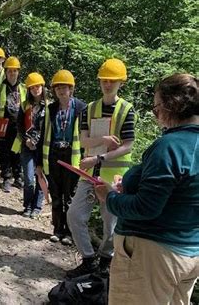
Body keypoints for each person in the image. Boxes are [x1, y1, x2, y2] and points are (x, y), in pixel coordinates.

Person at [95, 73, 199, 304]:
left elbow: (146, 208)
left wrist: (109, 197)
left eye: (156, 108)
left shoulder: (169, 147)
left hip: (151, 255)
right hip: (189, 253)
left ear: (171, 106)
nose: (156, 116)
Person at [66, 59, 136, 278]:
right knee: (74, 215)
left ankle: (105, 261)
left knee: (111, 224)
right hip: (89, 175)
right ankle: (88, 259)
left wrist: (99, 157)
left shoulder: (127, 110)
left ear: (120, 83)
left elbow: (128, 145)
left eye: (112, 81)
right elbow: (83, 140)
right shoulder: (89, 109)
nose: (107, 84)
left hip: (113, 178)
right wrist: (104, 139)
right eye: (104, 80)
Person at [37, 70, 86, 245]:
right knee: (56, 196)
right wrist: (38, 162)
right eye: (58, 87)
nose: (61, 90)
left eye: (64, 87)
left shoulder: (81, 108)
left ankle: (70, 233)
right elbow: (43, 135)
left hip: (72, 158)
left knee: (70, 197)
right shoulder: (51, 108)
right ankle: (58, 230)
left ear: (71, 89)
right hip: (53, 155)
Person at [12, 72, 47, 218]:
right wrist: (26, 139)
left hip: (42, 147)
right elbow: (19, 125)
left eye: (38, 86)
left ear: (42, 87)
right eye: (32, 87)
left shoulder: (49, 106)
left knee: (40, 177)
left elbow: (50, 128)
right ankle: (27, 205)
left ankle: (37, 206)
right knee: (28, 178)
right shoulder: (25, 105)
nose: (35, 89)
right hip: (27, 146)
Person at [0, 56, 26, 193]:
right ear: (6, 72)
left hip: (19, 128)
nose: (12, 73)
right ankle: (6, 178)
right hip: (3, 126)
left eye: (15, 71)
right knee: (4, 152)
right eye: (10, 71)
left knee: (17, 152)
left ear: (18, 72)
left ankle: (18, 178)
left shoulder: (23, 88)